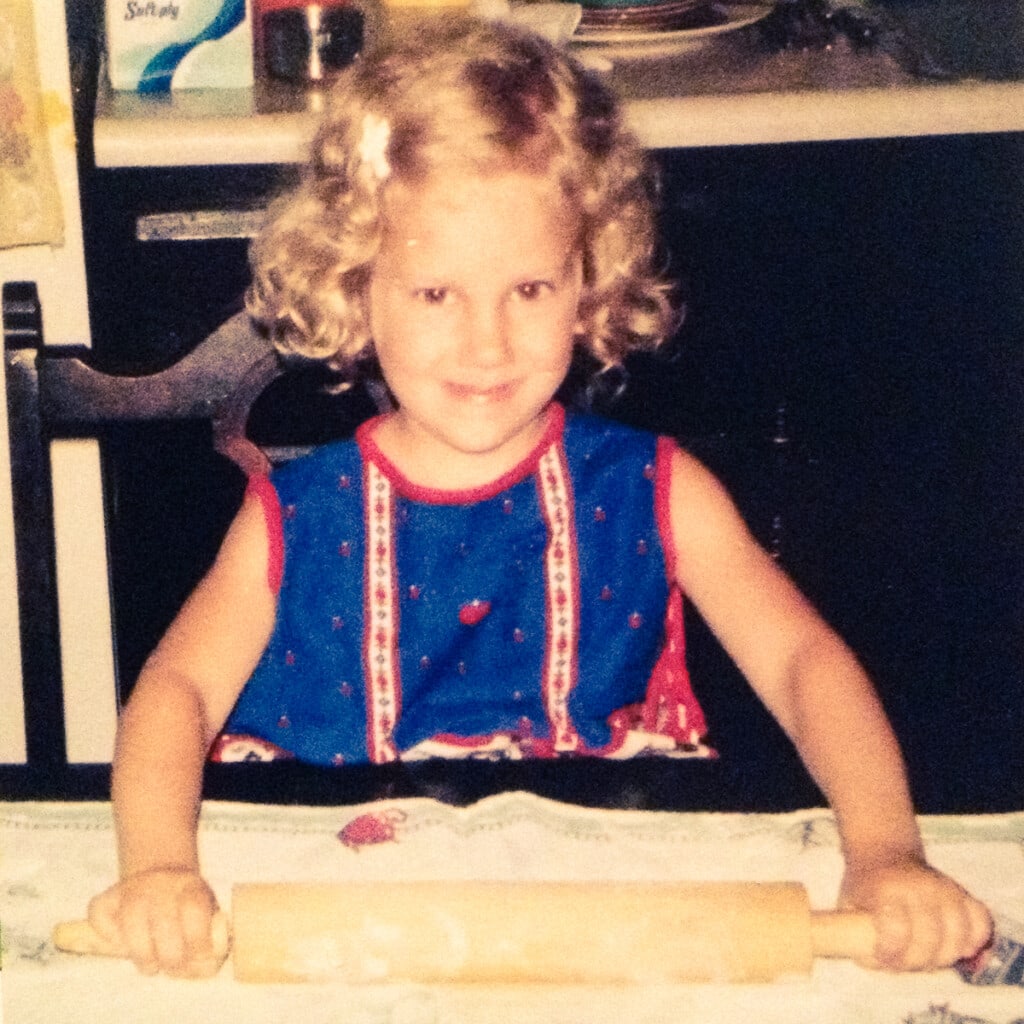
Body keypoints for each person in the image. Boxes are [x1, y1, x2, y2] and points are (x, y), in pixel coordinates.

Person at [87, 17, 991, 979]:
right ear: (357, 287)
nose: (489, 344)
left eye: (528, 289)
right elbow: (174, 695)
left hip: (600, 921)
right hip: (340, 923)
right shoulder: (294, 519)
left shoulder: (660, 492)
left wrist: (887, 851)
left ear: (590, 280)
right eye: (437, 294)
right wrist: (158, 870)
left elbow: (805, 663)